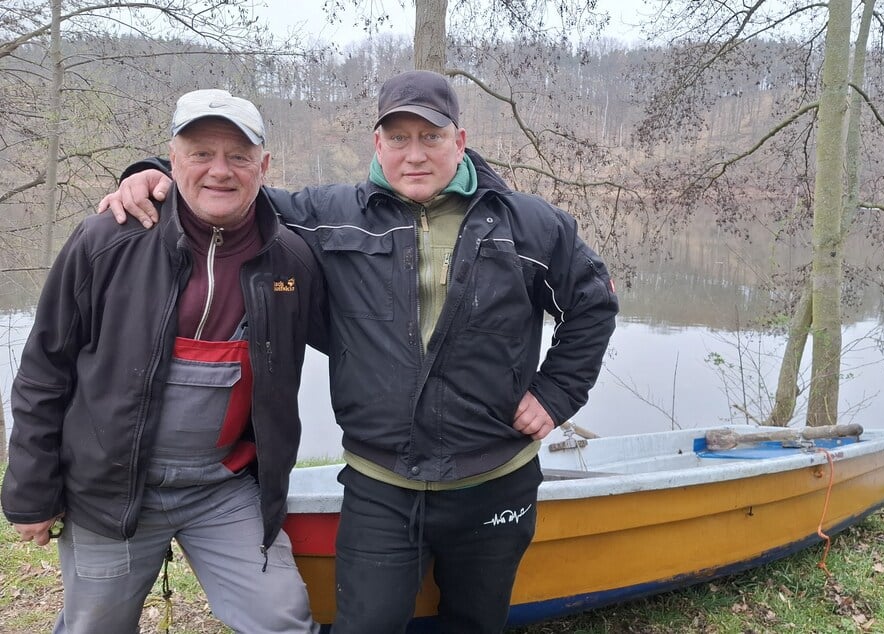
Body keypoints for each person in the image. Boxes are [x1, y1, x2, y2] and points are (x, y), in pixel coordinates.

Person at [100, 70, 619, 633]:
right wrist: (149, 173)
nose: (414, 154)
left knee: (476, 623)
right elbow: (227, 189)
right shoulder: (329, 215)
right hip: (381, 485)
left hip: (496, 479)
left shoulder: (533, 225)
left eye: (431, 137)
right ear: (378, 144)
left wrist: (556, 391)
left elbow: (592, 306)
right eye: (398, 138)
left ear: (460, 141)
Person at [1, 89, 327, 633]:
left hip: (224, 490)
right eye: (200, 153)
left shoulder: (291, 260)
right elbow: (43, 370)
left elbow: (360, 341)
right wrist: (32, 490)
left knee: (283, 617)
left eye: (238, 156)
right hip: (111, 491)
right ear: (171, 161)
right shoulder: (107, 239)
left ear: (264, 166)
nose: (219, 171)